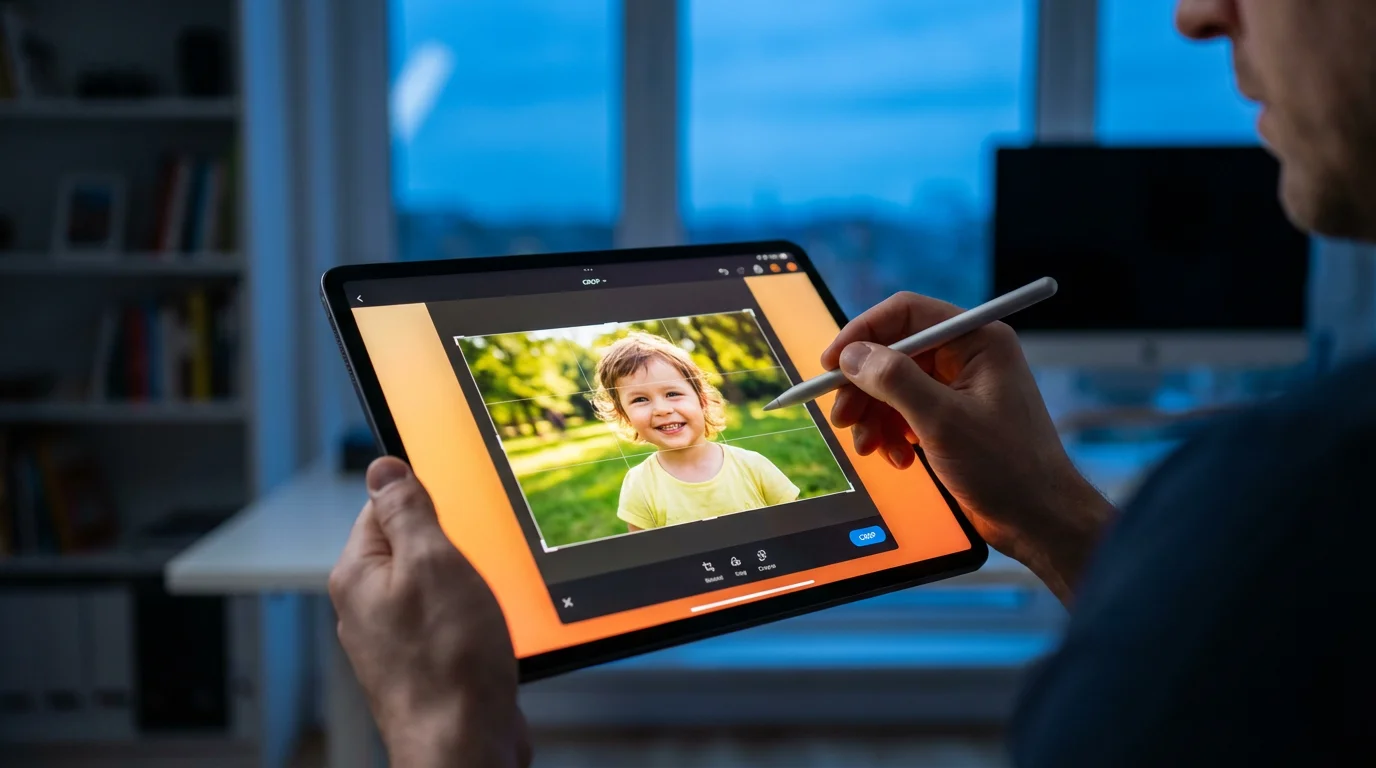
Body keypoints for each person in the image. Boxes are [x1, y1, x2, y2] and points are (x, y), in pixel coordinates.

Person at [327, 1, 1376, 765]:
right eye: (636, 402)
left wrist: (442, 739)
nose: (1195, 15)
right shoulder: (1281, 536)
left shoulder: (1297, 505)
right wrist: (1053, 518)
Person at [589, 331, 799, 533]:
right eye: (640, 400)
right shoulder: (639, 485)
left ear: (702, 400)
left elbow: (798, 526)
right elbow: (649, 556)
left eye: (672, 393)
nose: (662, 409)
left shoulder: (752, 465)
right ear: (624, 416)